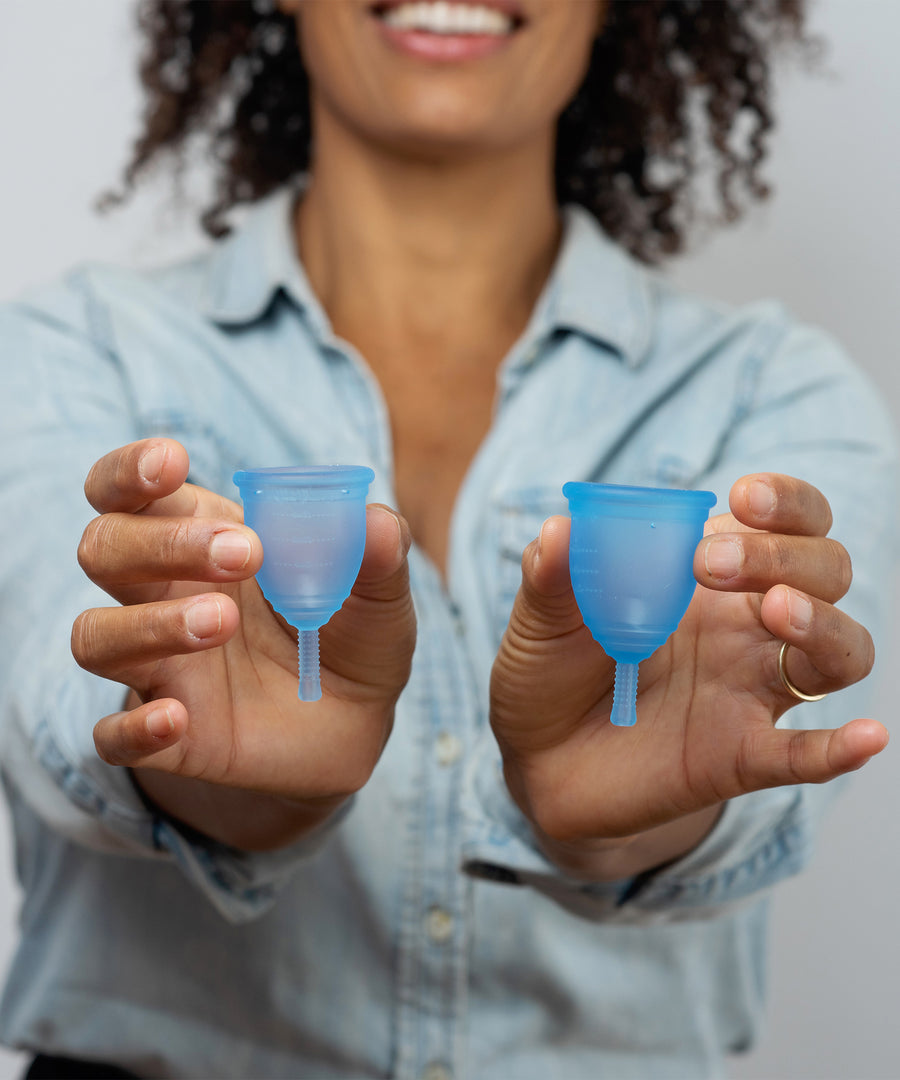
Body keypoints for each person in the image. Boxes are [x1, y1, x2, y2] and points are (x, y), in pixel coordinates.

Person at [0, 1, 895, 1077]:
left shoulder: (770, 397)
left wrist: (615, 823)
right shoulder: (73, 352)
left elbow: (764, 757)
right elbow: (51, 709)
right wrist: (236, 776)